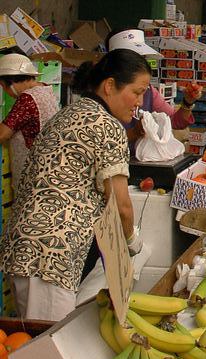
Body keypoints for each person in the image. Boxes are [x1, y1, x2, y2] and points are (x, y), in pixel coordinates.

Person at [0, 50, 150, 322]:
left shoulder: (71, 113)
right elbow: (121, 207)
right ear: (109, 85)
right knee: (46, 348)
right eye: (136, 92)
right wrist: (132, 244)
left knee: (35, 340)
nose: (139, 102)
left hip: (29, 244)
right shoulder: (107, 125)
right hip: (50, 253)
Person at [107, 29, 201, 148]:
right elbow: (103, 145)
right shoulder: (100, 102)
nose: (140, 101)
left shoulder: (149, 91)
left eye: (143, 59)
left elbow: (173, 121)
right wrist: (134, 132)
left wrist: (187, 102)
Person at [0, 52, 59, 192]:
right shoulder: (45, 89)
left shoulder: (27, 99)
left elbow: (2, 134)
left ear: (11, 82)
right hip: (49, 170)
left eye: (3, 86)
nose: (6, 91)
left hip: (33, 176)